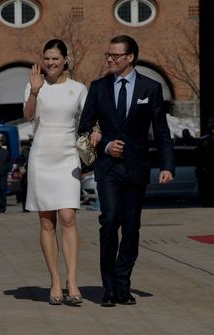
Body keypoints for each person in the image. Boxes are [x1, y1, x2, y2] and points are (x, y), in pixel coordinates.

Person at [78, 35, 174, 306]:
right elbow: (84, 126)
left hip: (137, 168)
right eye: (108, 55)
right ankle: (108, 288)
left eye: (115, 56)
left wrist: (167, 165)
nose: (110, 59)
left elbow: (162, 131)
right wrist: (106, 145)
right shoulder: (98, 87)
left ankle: (123, 285)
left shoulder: (151, 88)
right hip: (108, 168)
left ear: (130, 57)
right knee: (109, 221)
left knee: (131, 229)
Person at [24, 39, 87, 305]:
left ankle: (72, 281)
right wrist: (35, 92)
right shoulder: (33, 85)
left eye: (55, 58)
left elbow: (89, 121)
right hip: (41, 155)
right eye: (46, 58)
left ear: (65, 59)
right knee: (47, 221)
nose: (50, 63)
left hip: (68, 155)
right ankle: (55, 281)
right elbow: (28, 116)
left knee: (68, 217)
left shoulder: (79, 89)